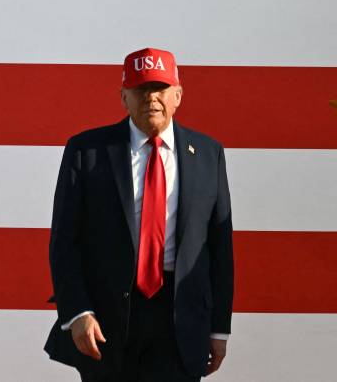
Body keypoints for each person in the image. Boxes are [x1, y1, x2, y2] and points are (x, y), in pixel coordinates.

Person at [44, 47, 233, 381]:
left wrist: (219, 329)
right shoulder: (86, 151)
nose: (151, 98)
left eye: (159, 88)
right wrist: (77, 312)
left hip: (180, 319)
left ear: (178, 95)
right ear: (123, 97)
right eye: (141, 89)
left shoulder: (208, 154)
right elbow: (64, 242)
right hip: (106, 320)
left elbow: (219, 248)